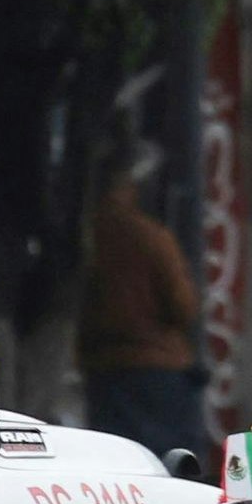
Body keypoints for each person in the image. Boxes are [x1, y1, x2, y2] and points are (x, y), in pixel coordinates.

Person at [78, 145, 207, 466]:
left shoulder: (86, 237)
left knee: (117, 463)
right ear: (129, 188)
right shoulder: (152, 237)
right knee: (172, 461)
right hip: (157, 367)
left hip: (103, 368)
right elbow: (183, 307)